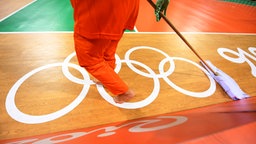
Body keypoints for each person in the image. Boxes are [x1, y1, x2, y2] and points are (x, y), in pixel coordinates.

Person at [70, 0, 169, 104]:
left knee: (90, 59)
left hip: (101, 10)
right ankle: (106, 79)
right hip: (126, 8)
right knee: (108, 47)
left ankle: (123, 92)